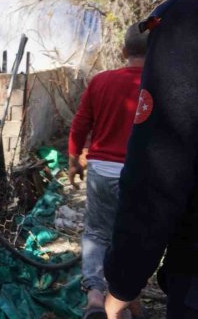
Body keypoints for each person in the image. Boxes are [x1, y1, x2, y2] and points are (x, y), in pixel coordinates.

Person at [104, 0, 198, 319]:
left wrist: (124, 281)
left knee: (95, 229)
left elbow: (159, 173)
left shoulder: (186, 19)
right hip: (116, 168)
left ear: (122, 49)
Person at [68, 23, 148, 319]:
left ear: (124, 51)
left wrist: (74, 161)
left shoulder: (101, 81)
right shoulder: (164, 84)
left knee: (97, 233)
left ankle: (95, 297)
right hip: (143, 174)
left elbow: (80, 124)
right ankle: (128, 298)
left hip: (102, 169)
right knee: (135, 235)